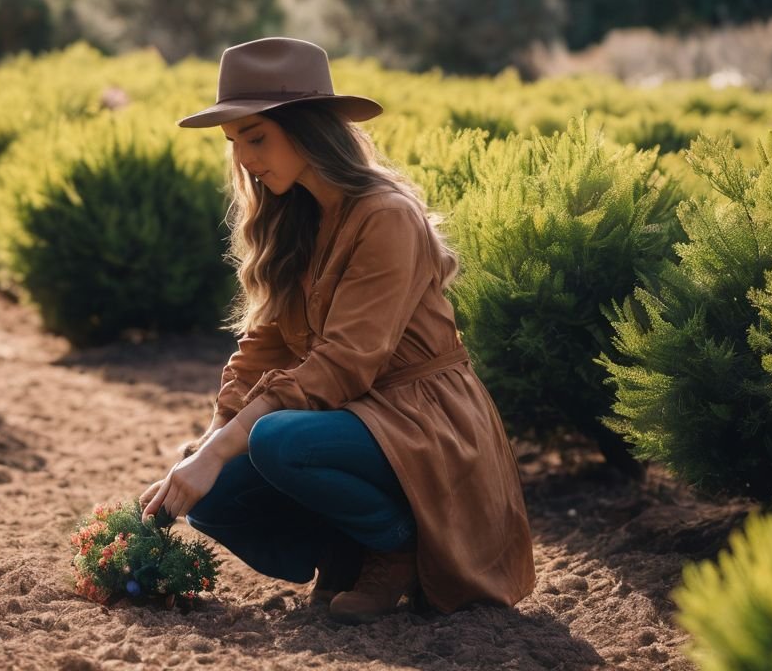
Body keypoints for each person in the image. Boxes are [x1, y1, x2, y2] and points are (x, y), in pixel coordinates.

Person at [140, 37, 535, 624]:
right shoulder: (294, 216)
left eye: (256, 136)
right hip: (348, 417)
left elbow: (345, 362)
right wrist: (208, 443)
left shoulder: (385, 216)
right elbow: (262, 348)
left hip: (419, 420)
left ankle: (395, 544)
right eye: (234, 143)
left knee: (277, 440)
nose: (245, 158)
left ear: (307, 129)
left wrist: (226, 446)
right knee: (211, 495)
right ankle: (344, 550)